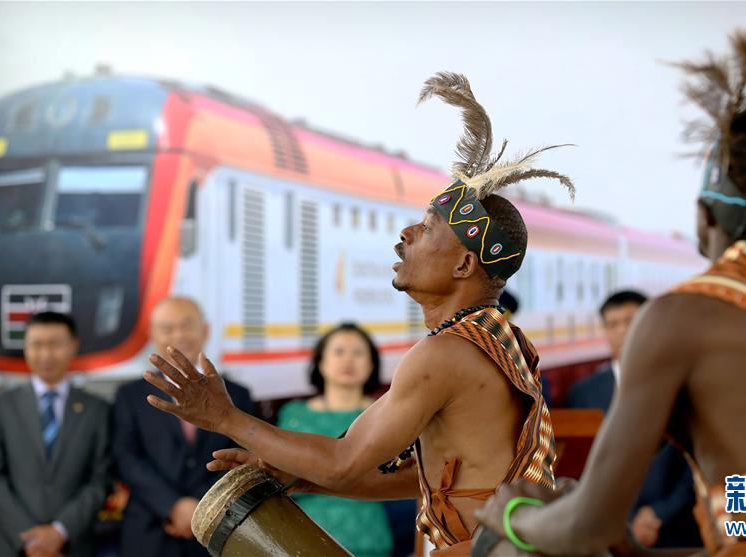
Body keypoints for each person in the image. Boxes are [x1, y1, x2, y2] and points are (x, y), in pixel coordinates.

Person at [475, 31, 746, 557]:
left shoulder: (680, 317)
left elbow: (585, 532)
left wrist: (509, 513)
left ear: (705, 214)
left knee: (505, 550)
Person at [142, 72, 574, 556]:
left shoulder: (446, 351)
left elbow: (345, 460)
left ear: (463, 263)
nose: (406, 233)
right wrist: (306, 480)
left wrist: (225, 417)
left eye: (427, 228)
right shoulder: (493, 337)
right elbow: (419, 476)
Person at [112, 297, 254, 557]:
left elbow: (244, 456)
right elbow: (126, 458)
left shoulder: (238, 395)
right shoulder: (129, 396)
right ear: (152, 335)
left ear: (206, 330)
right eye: (167, 328)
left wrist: (199, 507)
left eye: (187, 325)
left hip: (217, 531)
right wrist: (172, 506)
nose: (179, 335)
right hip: (149, 530)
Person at [567, 290, 700, 549]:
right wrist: (624, 522)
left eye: (631, 321)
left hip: (676, 528)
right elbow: (582, 468)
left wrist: (659, 513)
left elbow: (696, 463)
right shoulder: (583, 392)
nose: (622, 331)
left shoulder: (682, 388)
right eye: (612, 325)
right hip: (607, 530)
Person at [0, 312, 112, 557]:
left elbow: (100, 479)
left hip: (72, 544)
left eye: (55, 344)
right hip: (9, 545)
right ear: (25, 347)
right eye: (36, 344)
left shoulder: (97, 409)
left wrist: (59, 531)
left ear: (73, 346)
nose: (45, 354)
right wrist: (30, 538)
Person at [276, 323, 393, 557]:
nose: (348, 360)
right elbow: (279, 476)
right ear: (321, 362)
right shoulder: (294, 414)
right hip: (303, 538)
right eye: (339, 352)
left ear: (372, 364)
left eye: (358, 353)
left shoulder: (386, 414)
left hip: (368, 537)